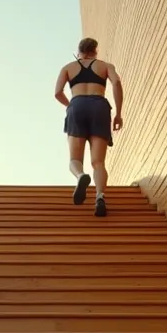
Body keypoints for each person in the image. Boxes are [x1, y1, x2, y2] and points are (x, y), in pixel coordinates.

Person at [53, 37, 124, 216]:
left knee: (74, 160)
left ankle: (80, 176)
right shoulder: (105, 66)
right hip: (99, 106)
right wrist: (118, 113)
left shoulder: (68, 67)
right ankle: (100, 196)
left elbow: (57, 93)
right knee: (98, 162)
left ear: (79, 51)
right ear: (95, 50)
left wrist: (70, 104)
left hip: (77, 106)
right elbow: (116, 83)